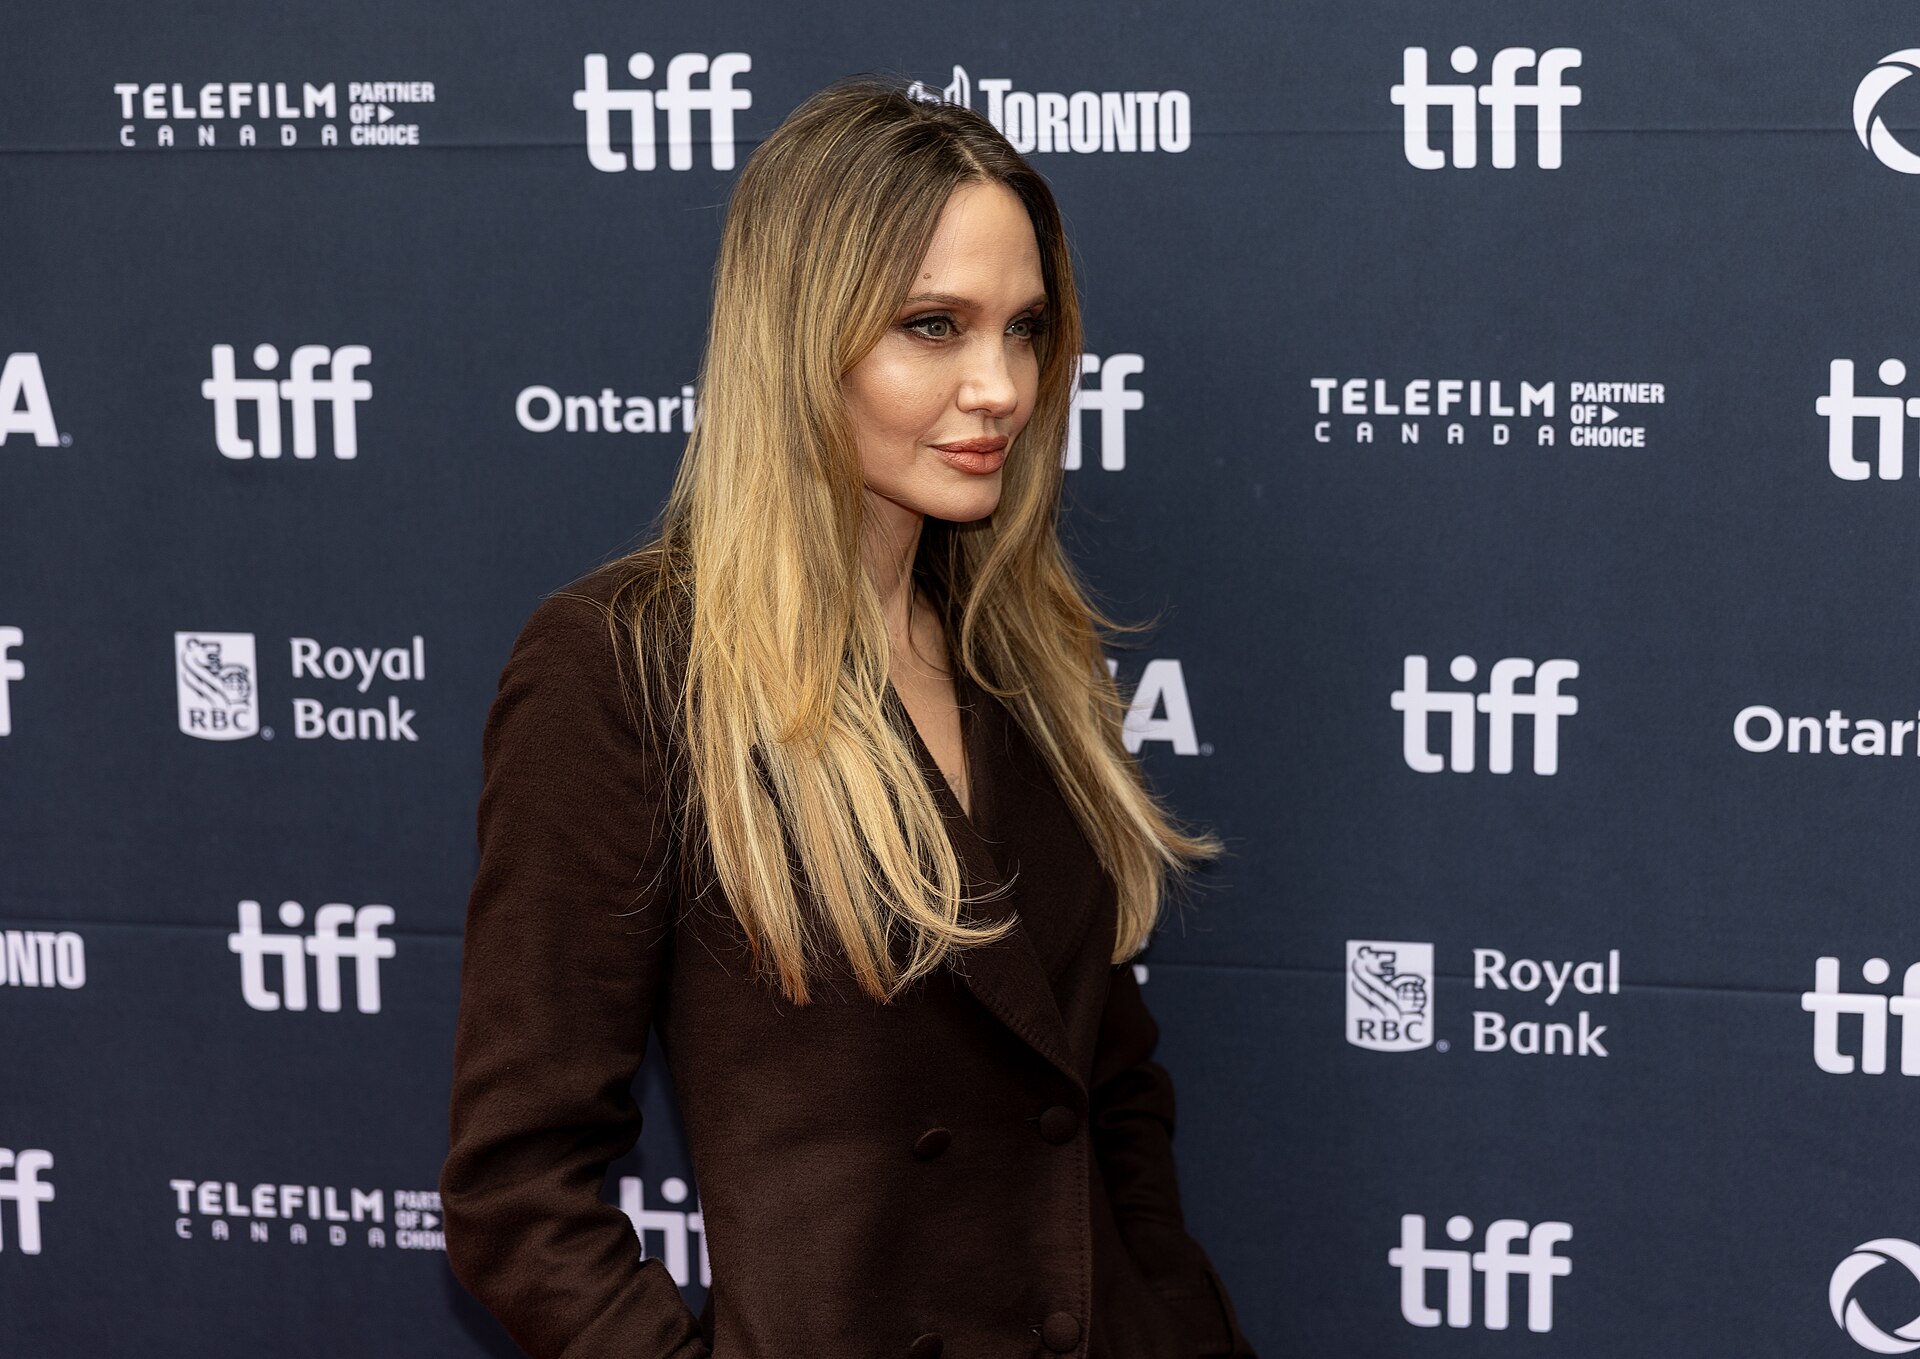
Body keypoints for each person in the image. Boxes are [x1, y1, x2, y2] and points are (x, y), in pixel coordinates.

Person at [440, 75, 1258, 1359]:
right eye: (934, 326)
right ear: (799, 336)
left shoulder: (1026, 650)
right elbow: (517, 1197)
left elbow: (1111, 1090)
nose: (1000, 386)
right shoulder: (628, 668)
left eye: (1026, 329)